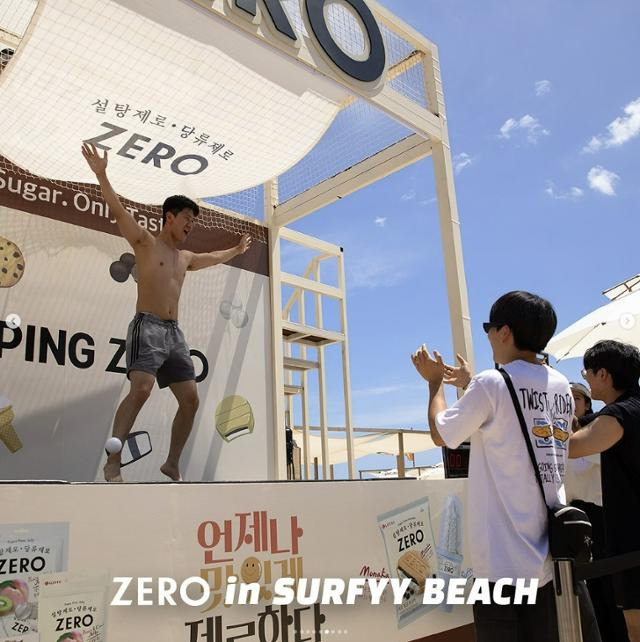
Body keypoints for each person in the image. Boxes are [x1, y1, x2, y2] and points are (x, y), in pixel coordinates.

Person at [411, 291, 600, 642]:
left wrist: (434, 382)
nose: (488, 336)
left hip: (500, 560)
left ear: (505, 332)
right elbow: (517, 424)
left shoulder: (492, 383)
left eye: (489, 328)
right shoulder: (559, 385)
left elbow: (442, 434)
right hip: (548, 555)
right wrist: (470, 384)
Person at [82, 142, 251, 482]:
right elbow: (118, 212)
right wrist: (102, 174)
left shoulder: (185, 258)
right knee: (141, 390)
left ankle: (172, 463)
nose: (191, 225)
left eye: (194, 221)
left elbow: (213, 258)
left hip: (175, 334)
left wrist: (235, 249)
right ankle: (113, 461)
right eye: (187, 219)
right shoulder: (145, 243)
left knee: (190, 400)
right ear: (169, 218)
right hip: (147, 326)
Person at [569, 340, 640, 642]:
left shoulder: (620, 414)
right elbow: (580, 424)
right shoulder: (627, 407)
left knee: (636, 627)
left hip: (633, 541)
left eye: (587, 373)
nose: (586, 378)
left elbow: (575, 446)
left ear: (604, 375)